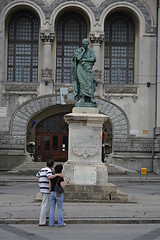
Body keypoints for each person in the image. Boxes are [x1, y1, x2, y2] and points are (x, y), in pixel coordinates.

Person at [36, 159, 61, 226]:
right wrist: (57, 175)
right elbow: (49, 177)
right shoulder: (48, 170)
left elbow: (37, 176)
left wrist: (40, 181)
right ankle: (42, 221)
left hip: (42, 188)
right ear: (52, 165)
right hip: (46, 189)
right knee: (45, 204)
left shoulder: (42, 169)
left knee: (47, 203)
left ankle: (47, 216)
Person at [72, 38, 96, 105]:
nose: (85, 46)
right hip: (80, 69)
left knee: (89, 83)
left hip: (88, 69)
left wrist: (85, 60)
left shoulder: (91, 51)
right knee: (82, 83)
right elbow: (78, 58)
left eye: (86, 44)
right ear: (82, 44)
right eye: (84, 44)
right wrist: (82, 52)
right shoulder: (78, 51)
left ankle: (90, 97)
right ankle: (82, 97)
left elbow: (93, 58)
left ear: (88, 44)